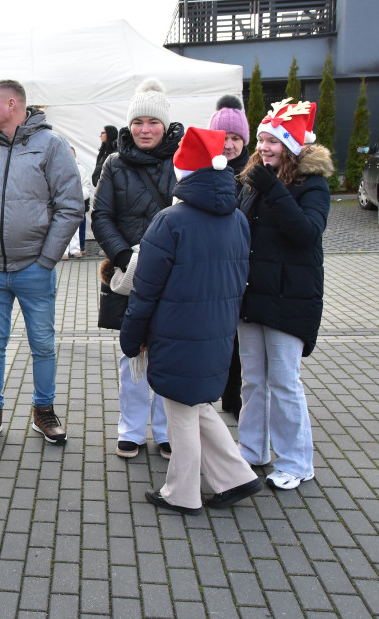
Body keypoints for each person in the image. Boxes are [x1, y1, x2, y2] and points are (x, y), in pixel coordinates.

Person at [120, 126, 262, 515]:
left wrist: (132, 338)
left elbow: (145, 290)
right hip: (215, 331)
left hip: (176, 333)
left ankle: (181, 493)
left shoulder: (170, 221)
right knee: (194, 404)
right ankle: (236, 477)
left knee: (180, 411)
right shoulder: (237, 219)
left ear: (184, 175)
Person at [0, 79, 83, 447]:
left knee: (43, 344)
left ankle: (43, 410)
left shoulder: (52, 145)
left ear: (11, 104)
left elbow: (72, 205)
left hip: (34, 268)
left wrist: (46, 260)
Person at [237, 98, 333, 491]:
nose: (264, 148)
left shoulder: (313, 184)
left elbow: (308, 233)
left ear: (292, 145)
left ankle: (296, 461)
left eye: (273, 141)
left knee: (284, 382)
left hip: (289, 299)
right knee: (252, 381)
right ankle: (252, 451)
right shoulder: (256, 179)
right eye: (261, 140)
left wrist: (273, 191)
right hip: (252, 297)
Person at [92, 78, 183, 460]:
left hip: (175, 272)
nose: (145, 130)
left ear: (165, 125)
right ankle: (130, 429)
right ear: (129, 125)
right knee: (132, 353)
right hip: (129, 274)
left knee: (167, 352)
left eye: (153, 122)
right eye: (138, 122)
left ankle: (165, 430)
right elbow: (101, 215)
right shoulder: (114, 163)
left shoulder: (182, 160)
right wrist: (123, 255)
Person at [206, 94, 252, 418]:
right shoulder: (204, 170)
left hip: (243, 269)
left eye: (236, 138)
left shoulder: (254, 174)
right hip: (211, 268)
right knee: (215, 336)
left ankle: (234, 400)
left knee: (240, 340)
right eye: (224, 137)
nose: (230, 144)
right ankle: (214, 392)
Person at [64, 145, 93, 259]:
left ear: (75, 155)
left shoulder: (80, 169)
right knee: (63, 226)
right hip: (63, 201)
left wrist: (80, 196)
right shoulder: (58, 168)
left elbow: (86, 185)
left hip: (77, 200)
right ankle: (64, 250)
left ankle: (75, 249)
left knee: (75, 226)